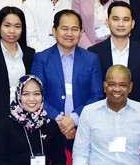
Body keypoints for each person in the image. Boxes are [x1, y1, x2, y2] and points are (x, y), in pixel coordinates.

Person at [31, 10, 104, 145]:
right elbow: (36, 96)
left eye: (74, 29)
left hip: (83, 128)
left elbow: (97, 95)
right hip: (49, 128)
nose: (69, 34)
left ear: (81, 32)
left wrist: (74, 119)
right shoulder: (41, 59)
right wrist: (60, 120)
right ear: (54, 30)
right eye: (64, 28)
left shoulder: (91, 59)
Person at [88, 1, 140, 110]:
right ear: (107, 22)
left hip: (137, 116)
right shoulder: (94, 53)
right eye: (115, 19)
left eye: (126, 20)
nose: (121, 24)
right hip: (102, 116)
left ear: (133, 23)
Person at [0, 6, 35, 128]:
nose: (12, 31)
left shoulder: (30, 54)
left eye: (17, 26)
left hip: (25, 118)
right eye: (7, 25)